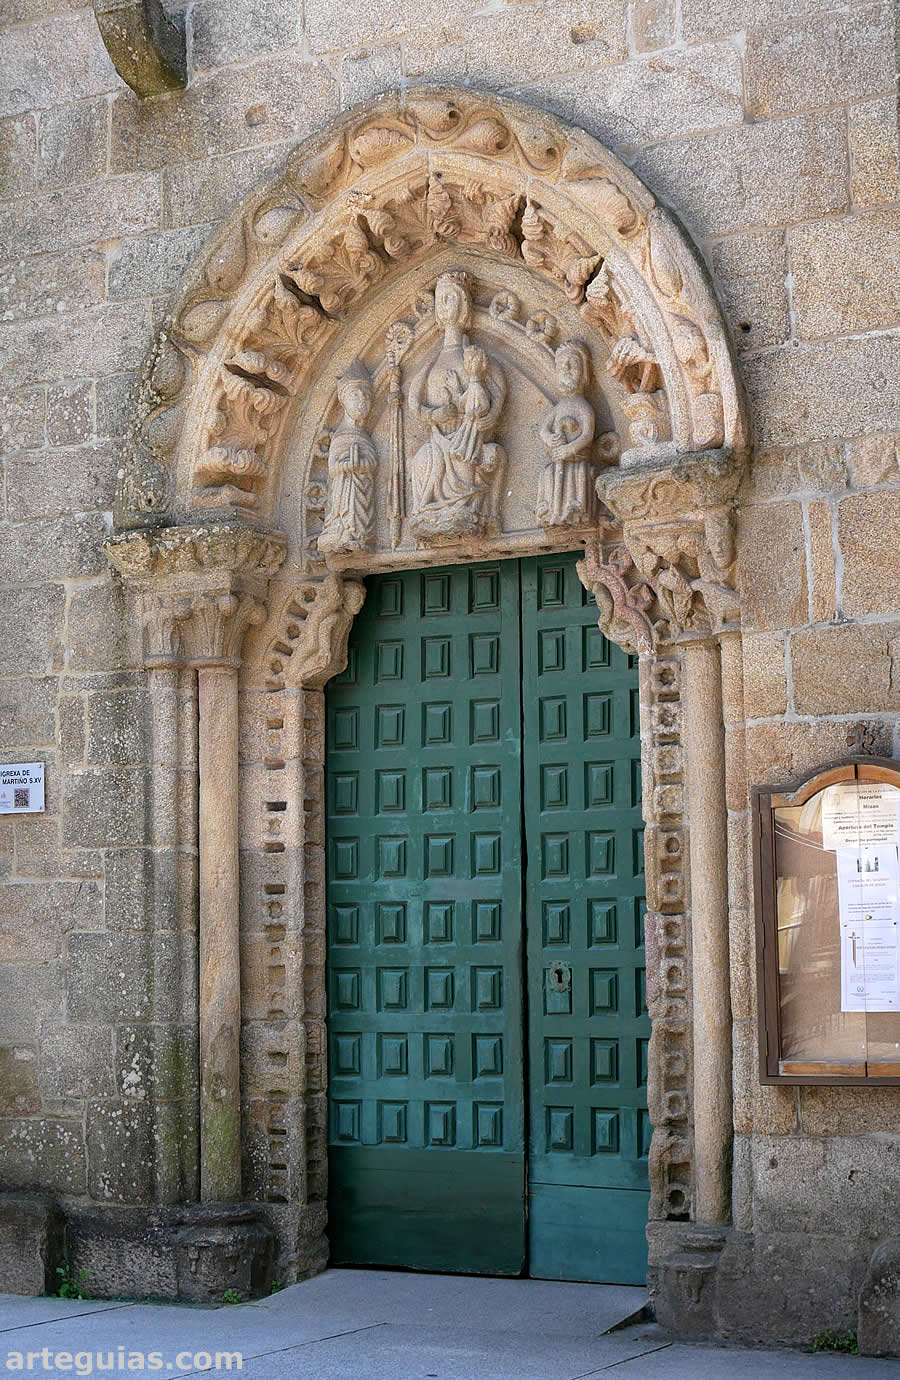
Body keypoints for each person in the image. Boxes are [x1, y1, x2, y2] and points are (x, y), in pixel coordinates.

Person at [408, 271, 507, 539]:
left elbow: (497, 390)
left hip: (468, 441)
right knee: (422, 461)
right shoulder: (430, 363)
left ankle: (469, 511)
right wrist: (434, 414)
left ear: (464, 304)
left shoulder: (475, 357)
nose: (445, 305)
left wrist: (492, 415)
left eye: (451, 298)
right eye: (441, 300)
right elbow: (414, 403)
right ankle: (428, 512)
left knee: (465, 463)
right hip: (437, 440)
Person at [317, 358, 378, 555]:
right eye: (355, 394)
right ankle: (343, 534)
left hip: (363, 489)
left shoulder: (363, 436)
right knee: (347, 511)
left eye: (367, 395)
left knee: (360, 515)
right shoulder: (341, 436)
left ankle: (357, 536)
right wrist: (348, 466)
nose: (362, 399)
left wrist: (363, 464)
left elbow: (373, 462)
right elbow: (333, 466)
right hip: (344, 491)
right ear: (343, 400)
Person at [535, 339, 597, 527]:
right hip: (558, 460)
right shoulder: (559, 407)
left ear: (585, 373)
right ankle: (548, 508)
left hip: (576, 459)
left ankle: (574, 507)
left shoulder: (583, 406)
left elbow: (587, 434)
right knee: (547, 474)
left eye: (573, 364)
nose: (567, 368)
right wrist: (550, 438)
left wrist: (570, 449)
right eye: (562, 365)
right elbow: (543, 429)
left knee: (578, 473)